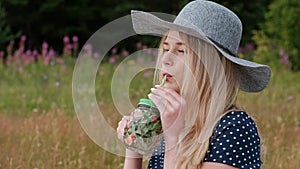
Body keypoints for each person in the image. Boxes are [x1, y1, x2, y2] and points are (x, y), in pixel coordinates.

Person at [117, 0, 271, 168]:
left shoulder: (234, 128)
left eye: (181, 51)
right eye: (166, 49)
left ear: (210, 66)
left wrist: (173, 139)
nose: (165, 59)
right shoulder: (177, 124)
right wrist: (134, 146)